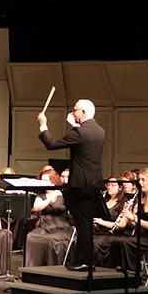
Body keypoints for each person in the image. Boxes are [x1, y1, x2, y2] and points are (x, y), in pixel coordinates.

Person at [37, 99, 105, 270]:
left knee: (82, 224)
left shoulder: (81, 133)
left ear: (83, 112)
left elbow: (51, 144)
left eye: (75, 110)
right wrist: (75, 126)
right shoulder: (100, 131)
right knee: (86, 223)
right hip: (93, 183)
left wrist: (43, 125)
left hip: (80, 185)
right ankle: (86, 260)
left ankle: (84, 262)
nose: (72, 113)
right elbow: (82, 140)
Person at [108, 168, 148, 271]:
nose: (140, 183)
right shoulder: (139, 198)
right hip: (140, 236)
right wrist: (128, 214)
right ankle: (120, 271)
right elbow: (133, 225)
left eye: (143, 180)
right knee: (117, 241)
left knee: (125, 242)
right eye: (139, 180)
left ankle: (132, 273)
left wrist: (134, 218)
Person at [24, 168, 74, 267]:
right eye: (42, 181)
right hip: (45, 225)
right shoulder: (41, 194)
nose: (44, 183)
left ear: (53, 181)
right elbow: (36, 208)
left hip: (61, 225)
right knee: (31, 237)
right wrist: (49, 198)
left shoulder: (63, 193)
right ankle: (32, 269)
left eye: (46, 181)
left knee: (51, 240)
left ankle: (52, 268)